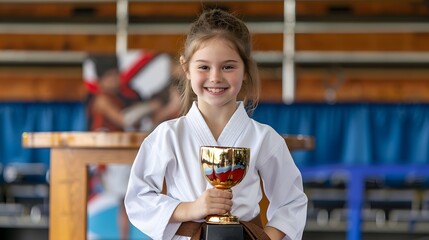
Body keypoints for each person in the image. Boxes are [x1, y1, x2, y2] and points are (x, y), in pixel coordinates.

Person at [125, 9, 307, 240]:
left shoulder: (264, 137)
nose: (215, 77)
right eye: (203, 67)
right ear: (186, 68)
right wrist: (192, 208)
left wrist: (267, 237)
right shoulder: (168, 135)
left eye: (228, 67)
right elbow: (138, 199)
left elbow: (292, 200)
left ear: (245, 69)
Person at [84, 54, 181, 240]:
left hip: (131, 156)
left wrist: (161, 107)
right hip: (112, 163)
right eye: (109, 76)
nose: (114, 80)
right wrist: (153, 106)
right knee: (126, 200)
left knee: (133, 202)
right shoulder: (101, 99)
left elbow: (145, 123)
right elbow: (125, 119)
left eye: (115, 75)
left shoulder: (127, 95)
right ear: (100, 79)